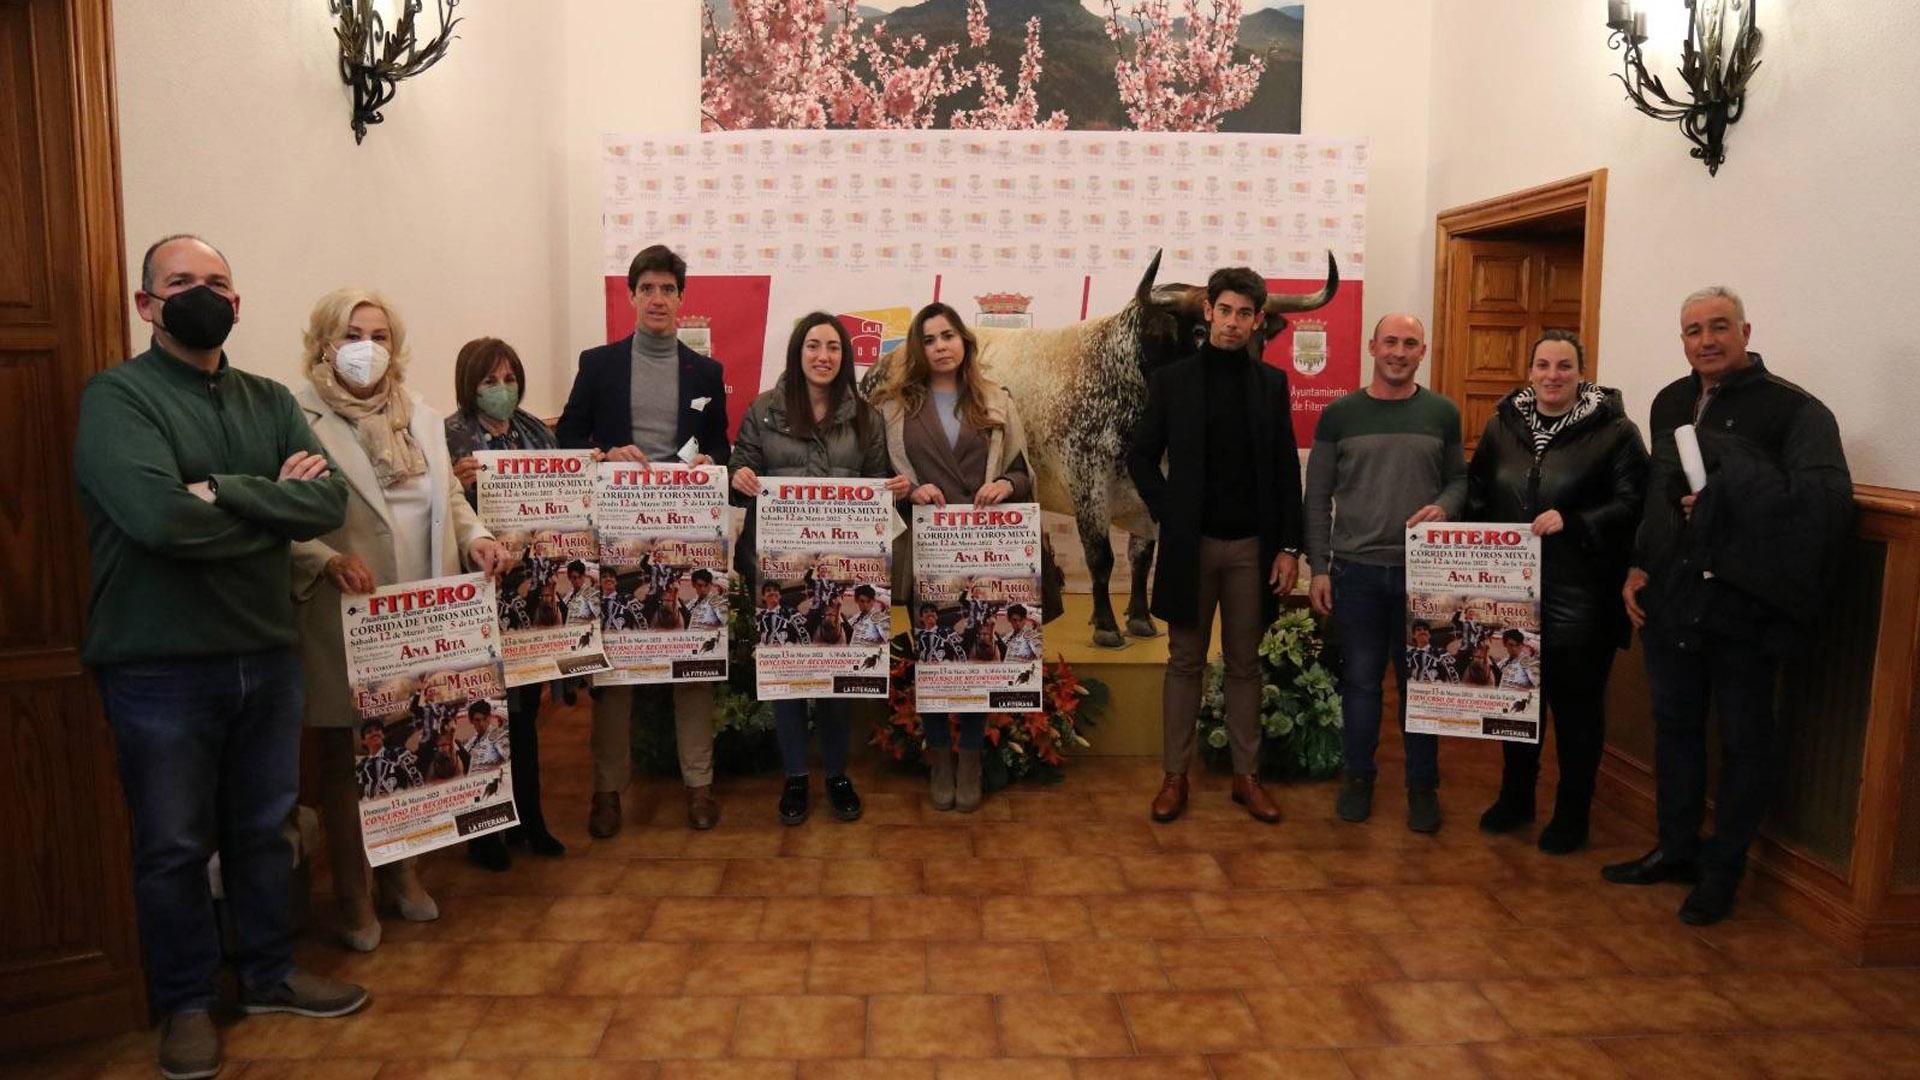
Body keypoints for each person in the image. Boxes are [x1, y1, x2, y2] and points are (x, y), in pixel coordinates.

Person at [75, 234, 365, 1080]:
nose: (201, 294)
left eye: (217, 283)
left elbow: (325, 501)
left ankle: (270, 974)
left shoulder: (269, 397)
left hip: (264, 651)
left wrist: (222, 491)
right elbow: (157, 521)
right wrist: (267, 501)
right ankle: (188, 1002)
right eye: (180, 283)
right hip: (160, 663)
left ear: (237, 303)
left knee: (266, 828)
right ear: (146, 305)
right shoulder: (117, 398)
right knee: (172, 844)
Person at [1607, 287, 1852, 924]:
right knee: (1676, 730)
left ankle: (1723, 873)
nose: (1706, 340)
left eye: (1719, 327)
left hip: (1745, 610)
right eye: (1693, 331)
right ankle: (1677, 849)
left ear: (1746, 330)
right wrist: (1639, 564)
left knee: (1746, 742)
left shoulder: (1796, 412)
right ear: (1682, 340)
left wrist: (1727, 501)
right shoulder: (1669, 401)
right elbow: (1659, 501)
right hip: (1673, 603)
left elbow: (1822, 508)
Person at [289, 287, 510, 950]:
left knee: (412, 743)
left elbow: (447, 500)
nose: (367, 347)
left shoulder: (419, 412)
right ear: (325, 342)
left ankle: (404, 875)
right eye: (353, 333)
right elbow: (280, 515)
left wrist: (476, 540)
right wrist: (325, 559)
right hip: (346, 612)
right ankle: (355, 895)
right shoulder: (296, 414)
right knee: (346, 759)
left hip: (422, 610)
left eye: (380, 335)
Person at [557, 245, 731, 834]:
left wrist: (708, 460)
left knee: (693, 660)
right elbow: (570, 442)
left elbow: (724, 453)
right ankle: (607, 792)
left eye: (669, 289)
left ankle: (699, 786)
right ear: (632, 296)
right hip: (618, 542)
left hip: (687, 539)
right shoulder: (599, 363)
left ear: (682, 299)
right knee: (617, 672)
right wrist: (603, 456)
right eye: (648, 289)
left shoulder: (706, 373)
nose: (658, 299)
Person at [1127, 268, 1303, 825]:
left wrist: (1290, 548)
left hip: (1254, 547)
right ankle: (1174, 777)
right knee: (1184, 662)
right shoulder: (1173, 381)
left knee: (1246, 664)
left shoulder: (1272, 384)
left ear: (1257, 321)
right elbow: (1139, 455)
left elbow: (1282, 471)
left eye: (1243, 314)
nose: (1232, 323)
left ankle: (1245, 777)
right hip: (1190, 546)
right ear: (1208, 312)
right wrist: (1168, 510)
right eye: (1224, 311)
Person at [1465, 329, 1649, 853]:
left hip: (1581, 594)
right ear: (1529, 372)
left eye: (1564, 366)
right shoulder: (1503, 425)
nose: (1552, 376)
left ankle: (1572, 814)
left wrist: (1575, 519)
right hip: (1510, 592)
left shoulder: (1616, 432)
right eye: (1543, 365)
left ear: (1581, 373)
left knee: (1576, 713)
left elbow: (1634, 503)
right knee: (1515, 701)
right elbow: (1479, 491)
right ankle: (1516, 798)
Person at [734, 311, 909, 825]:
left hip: (846, 570)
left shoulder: (866, 417)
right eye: (813, 346)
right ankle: (793, 777)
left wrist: (892, 488)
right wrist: (739, 474)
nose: (823, 356)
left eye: (833, 347)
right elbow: (738, 469)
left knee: (838, 676)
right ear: (798, 351)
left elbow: (877, 479)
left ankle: (835, 773)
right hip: (781, 569)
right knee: (789, 677)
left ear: (845, 357)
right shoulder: (763, 410)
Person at [1305, 313, 1466, 833]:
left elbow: (1461, 482)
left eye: (1410, 343)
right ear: (1372, 346)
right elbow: (1316, 497)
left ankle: (1423, 788)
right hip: (1356, 573)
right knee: (1360, 684)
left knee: (1424, 688)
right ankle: (1359, 779)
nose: (1399, 351)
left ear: (1424, 351)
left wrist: (1444, 505)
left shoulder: (1442, 413)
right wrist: (1319, 567)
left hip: (1427, 576)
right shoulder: (1338, 415)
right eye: (1390, 341)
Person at [872, 301, 1034, 813]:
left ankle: (970, 759)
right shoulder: (892, 408)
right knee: (936, 658)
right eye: (929, 339)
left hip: (987, 551)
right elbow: (879, 478)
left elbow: (1027, 474)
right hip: (928, 553)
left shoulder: (998, 401)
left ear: (964, 341)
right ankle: (940, 757)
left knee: (980, 658)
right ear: (917, 350)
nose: (940, 346)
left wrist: (1006, 482)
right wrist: (909, 489)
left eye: (947, 336)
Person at [443, 335, 568, 863]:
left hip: (529, 591)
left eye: (510, 378)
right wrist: (450, 479)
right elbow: (433, 507)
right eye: (490, 381)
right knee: (480, 713)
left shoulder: (536, 430)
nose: (502, 389)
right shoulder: (446, 436)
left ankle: (530, 817)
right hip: (476, 594)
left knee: (524, 710)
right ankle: (483, 831)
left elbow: (567, 492)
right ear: (469, 386)